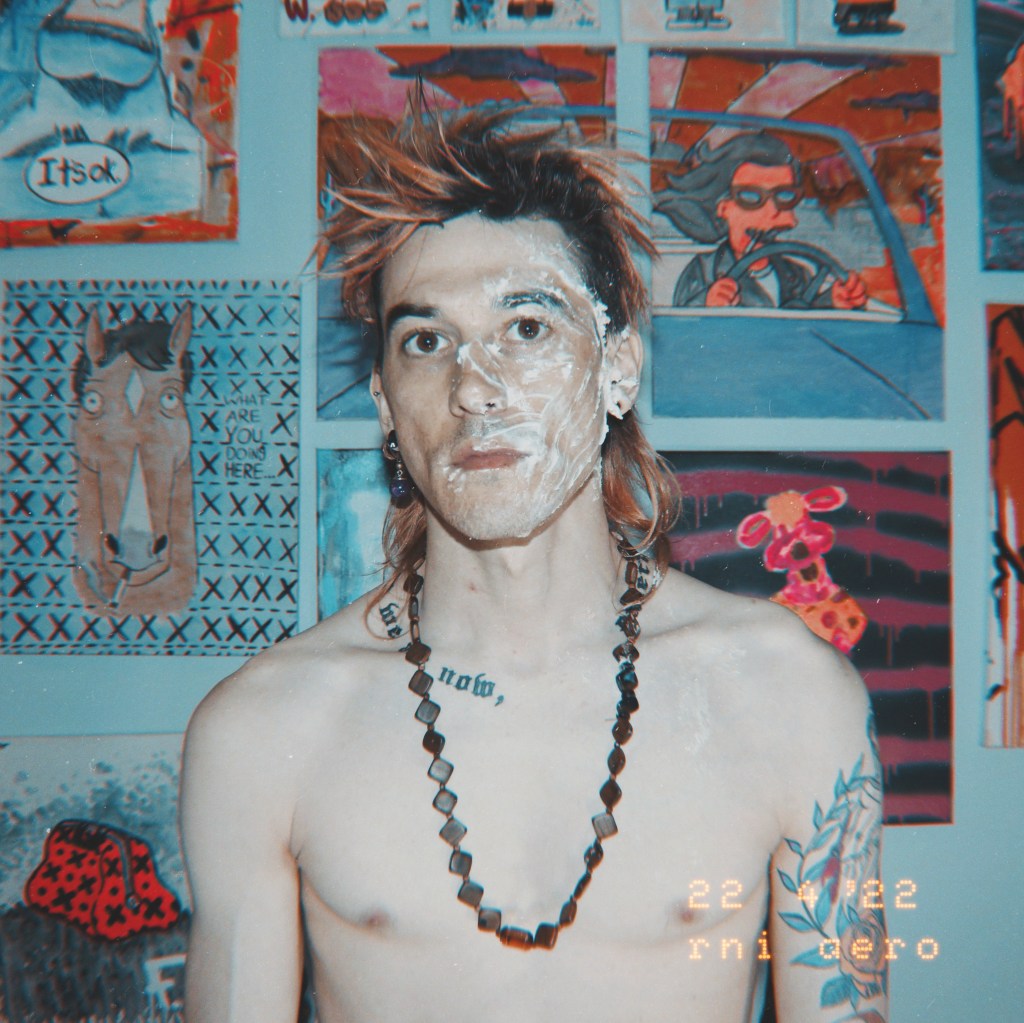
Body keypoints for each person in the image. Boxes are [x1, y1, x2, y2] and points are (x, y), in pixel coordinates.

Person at [180, 107, 887, 1023]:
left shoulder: (789, 695)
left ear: (618, 370)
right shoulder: (262, 730)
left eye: (525, 327)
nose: (474, 387)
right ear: (387, 404)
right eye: (426, 340)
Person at [656, 132, 869, 311]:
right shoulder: (704, 271)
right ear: (723, 207)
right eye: (750, 196)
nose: (772, 211)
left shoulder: (796, 275)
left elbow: (801, 323)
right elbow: (681, 330)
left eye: (784, 196)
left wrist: (832, 301)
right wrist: (707, 304)